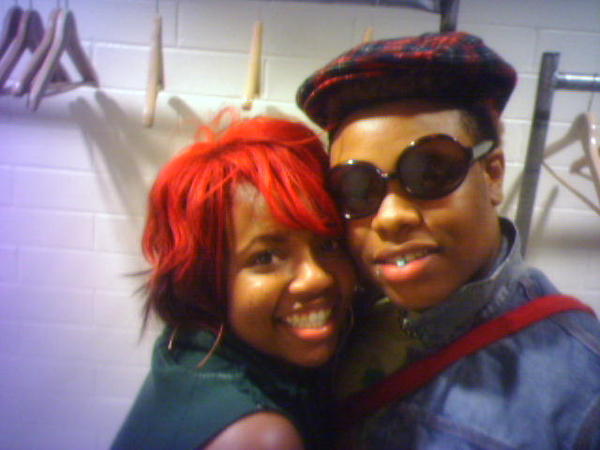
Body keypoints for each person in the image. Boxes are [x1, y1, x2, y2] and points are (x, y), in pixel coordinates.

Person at [296, 31, 600, 449]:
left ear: (492, 175)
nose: (391, 218)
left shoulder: (583, 391)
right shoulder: (338, 315)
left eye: (431, 173)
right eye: (358, 188)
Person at [111, 112, 356, 450]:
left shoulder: (186, 352)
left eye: (328, 244)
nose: (317, 278)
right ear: (205, 279)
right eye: (266, 257)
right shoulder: (259, 438)